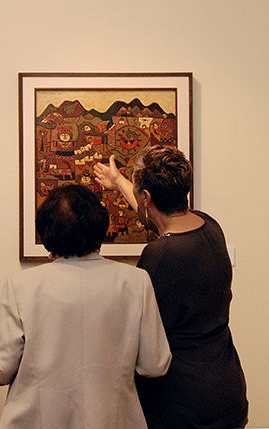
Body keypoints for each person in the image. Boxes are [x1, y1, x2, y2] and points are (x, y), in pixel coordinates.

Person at [0, 184, 171, 429]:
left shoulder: (21, 285)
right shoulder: (135, 282)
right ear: (100, 225)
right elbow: (155, 364)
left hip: (36, 421)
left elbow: (3, 369)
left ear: (46, 231)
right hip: (113, 421)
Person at [94, 145, 248, 429]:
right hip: (226, 392)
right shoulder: (209, 226)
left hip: (183, 407)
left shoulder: (161, 256)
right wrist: (118, 182)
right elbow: (155, 215)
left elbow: (140, 334)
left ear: (147, 197)